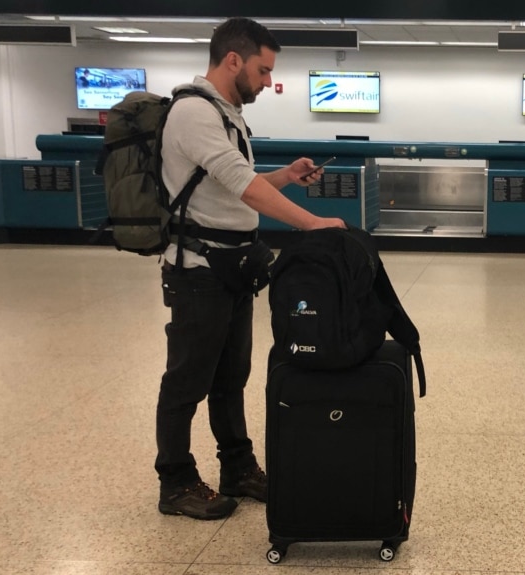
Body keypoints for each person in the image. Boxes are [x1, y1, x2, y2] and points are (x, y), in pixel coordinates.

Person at [155, 17, 346, 520]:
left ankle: (237, 467)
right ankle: (174, 481)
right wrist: (312, 224)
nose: (267, 82)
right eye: (263, 71)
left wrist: (286, 176)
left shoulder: (227, 113)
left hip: (232, 267)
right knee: (186, 379)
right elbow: (242, 185)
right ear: (233, 59)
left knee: (230, 376)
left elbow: (232, 186)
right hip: (197, 270)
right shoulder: (194, 112)